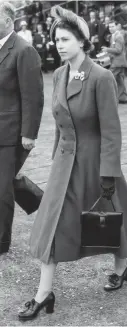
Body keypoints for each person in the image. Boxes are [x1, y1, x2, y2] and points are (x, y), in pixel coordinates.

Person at [18, 5, 127, 322]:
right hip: (64, 165)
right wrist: (55, 159)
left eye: (65, 39)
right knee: (51, 227)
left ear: (82, 41)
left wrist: (108, 174)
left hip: (94, 165)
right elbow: (63, 122)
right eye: (57, 40)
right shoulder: (61, 74)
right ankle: (43, 294)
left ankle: (122, 267)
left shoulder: (101, 77)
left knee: (108, 220)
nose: (59, 45)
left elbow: (111, 130)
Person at [0, 2, 44, 254]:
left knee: (1, 189)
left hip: (10, 132)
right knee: (4, 182)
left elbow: (33, 96)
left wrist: (29, 133)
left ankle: (2, 242)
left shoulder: (24, 50)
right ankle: (43, 201)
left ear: (8, 20)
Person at [102, 20, 127, 104]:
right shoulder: (113, 36)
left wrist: (107, 49)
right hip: (118, 61)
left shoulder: (118, 36)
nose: (111, 28)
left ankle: (109, 98)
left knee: (109, 78)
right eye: (109, 27)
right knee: (119, 80)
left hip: (118, 62)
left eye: (113, 26)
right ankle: (123, 98)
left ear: (117, 26)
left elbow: (118, 50)